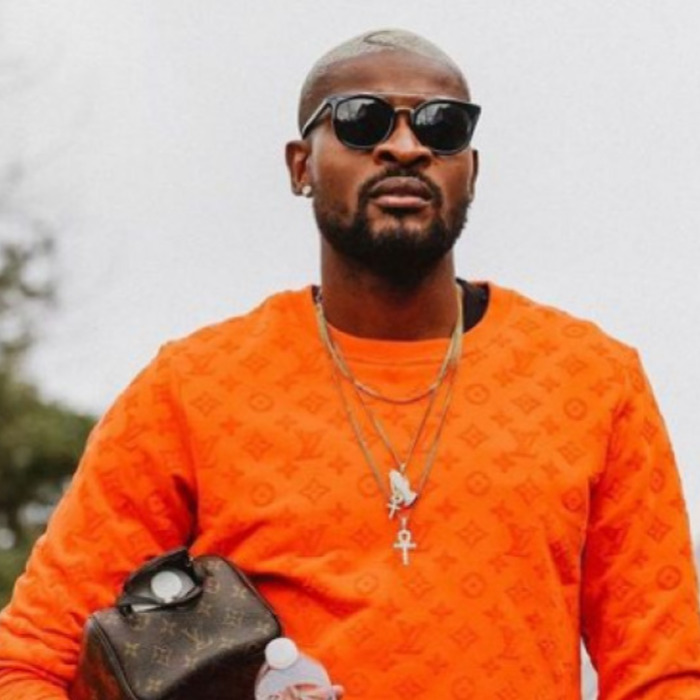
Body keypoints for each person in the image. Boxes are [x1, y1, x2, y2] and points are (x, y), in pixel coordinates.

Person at [1, 28, 699, 699]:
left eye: (443, 126)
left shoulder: (593, 380)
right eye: (361, 121)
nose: (406, 146)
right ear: (300, 166)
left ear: (472, 169)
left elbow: (665, 675)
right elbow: (27, 658)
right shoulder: (190, 388)